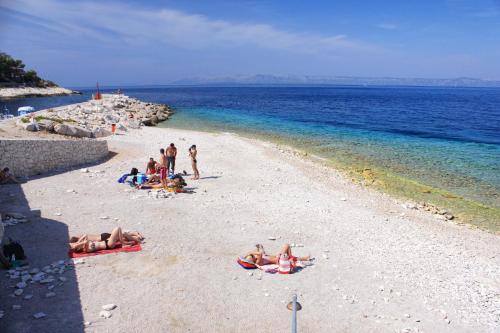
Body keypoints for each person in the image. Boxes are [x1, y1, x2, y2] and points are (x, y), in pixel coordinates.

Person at [69, 227, 144, 253]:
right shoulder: (86, 249)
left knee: (121, 233)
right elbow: (84, 241)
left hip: (106, 241)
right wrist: (77, 244)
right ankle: (124, 243)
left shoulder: (86, 244)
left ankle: (136, 239)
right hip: (108, 245)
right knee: (118, 229)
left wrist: (78, 242)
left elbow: (85, 235)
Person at [244, 243, 311, 266]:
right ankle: (291, 259)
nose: (253, 255)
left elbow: (262, 253)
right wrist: (250, 252)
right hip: (278, 260)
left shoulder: (258, 258)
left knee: (287, 251)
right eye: (252, 256)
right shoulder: (258, 262)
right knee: (286, 245)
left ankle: (305, 258)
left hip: (278, 257)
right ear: (253, 259)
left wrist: (259, 248)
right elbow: (260, 254)